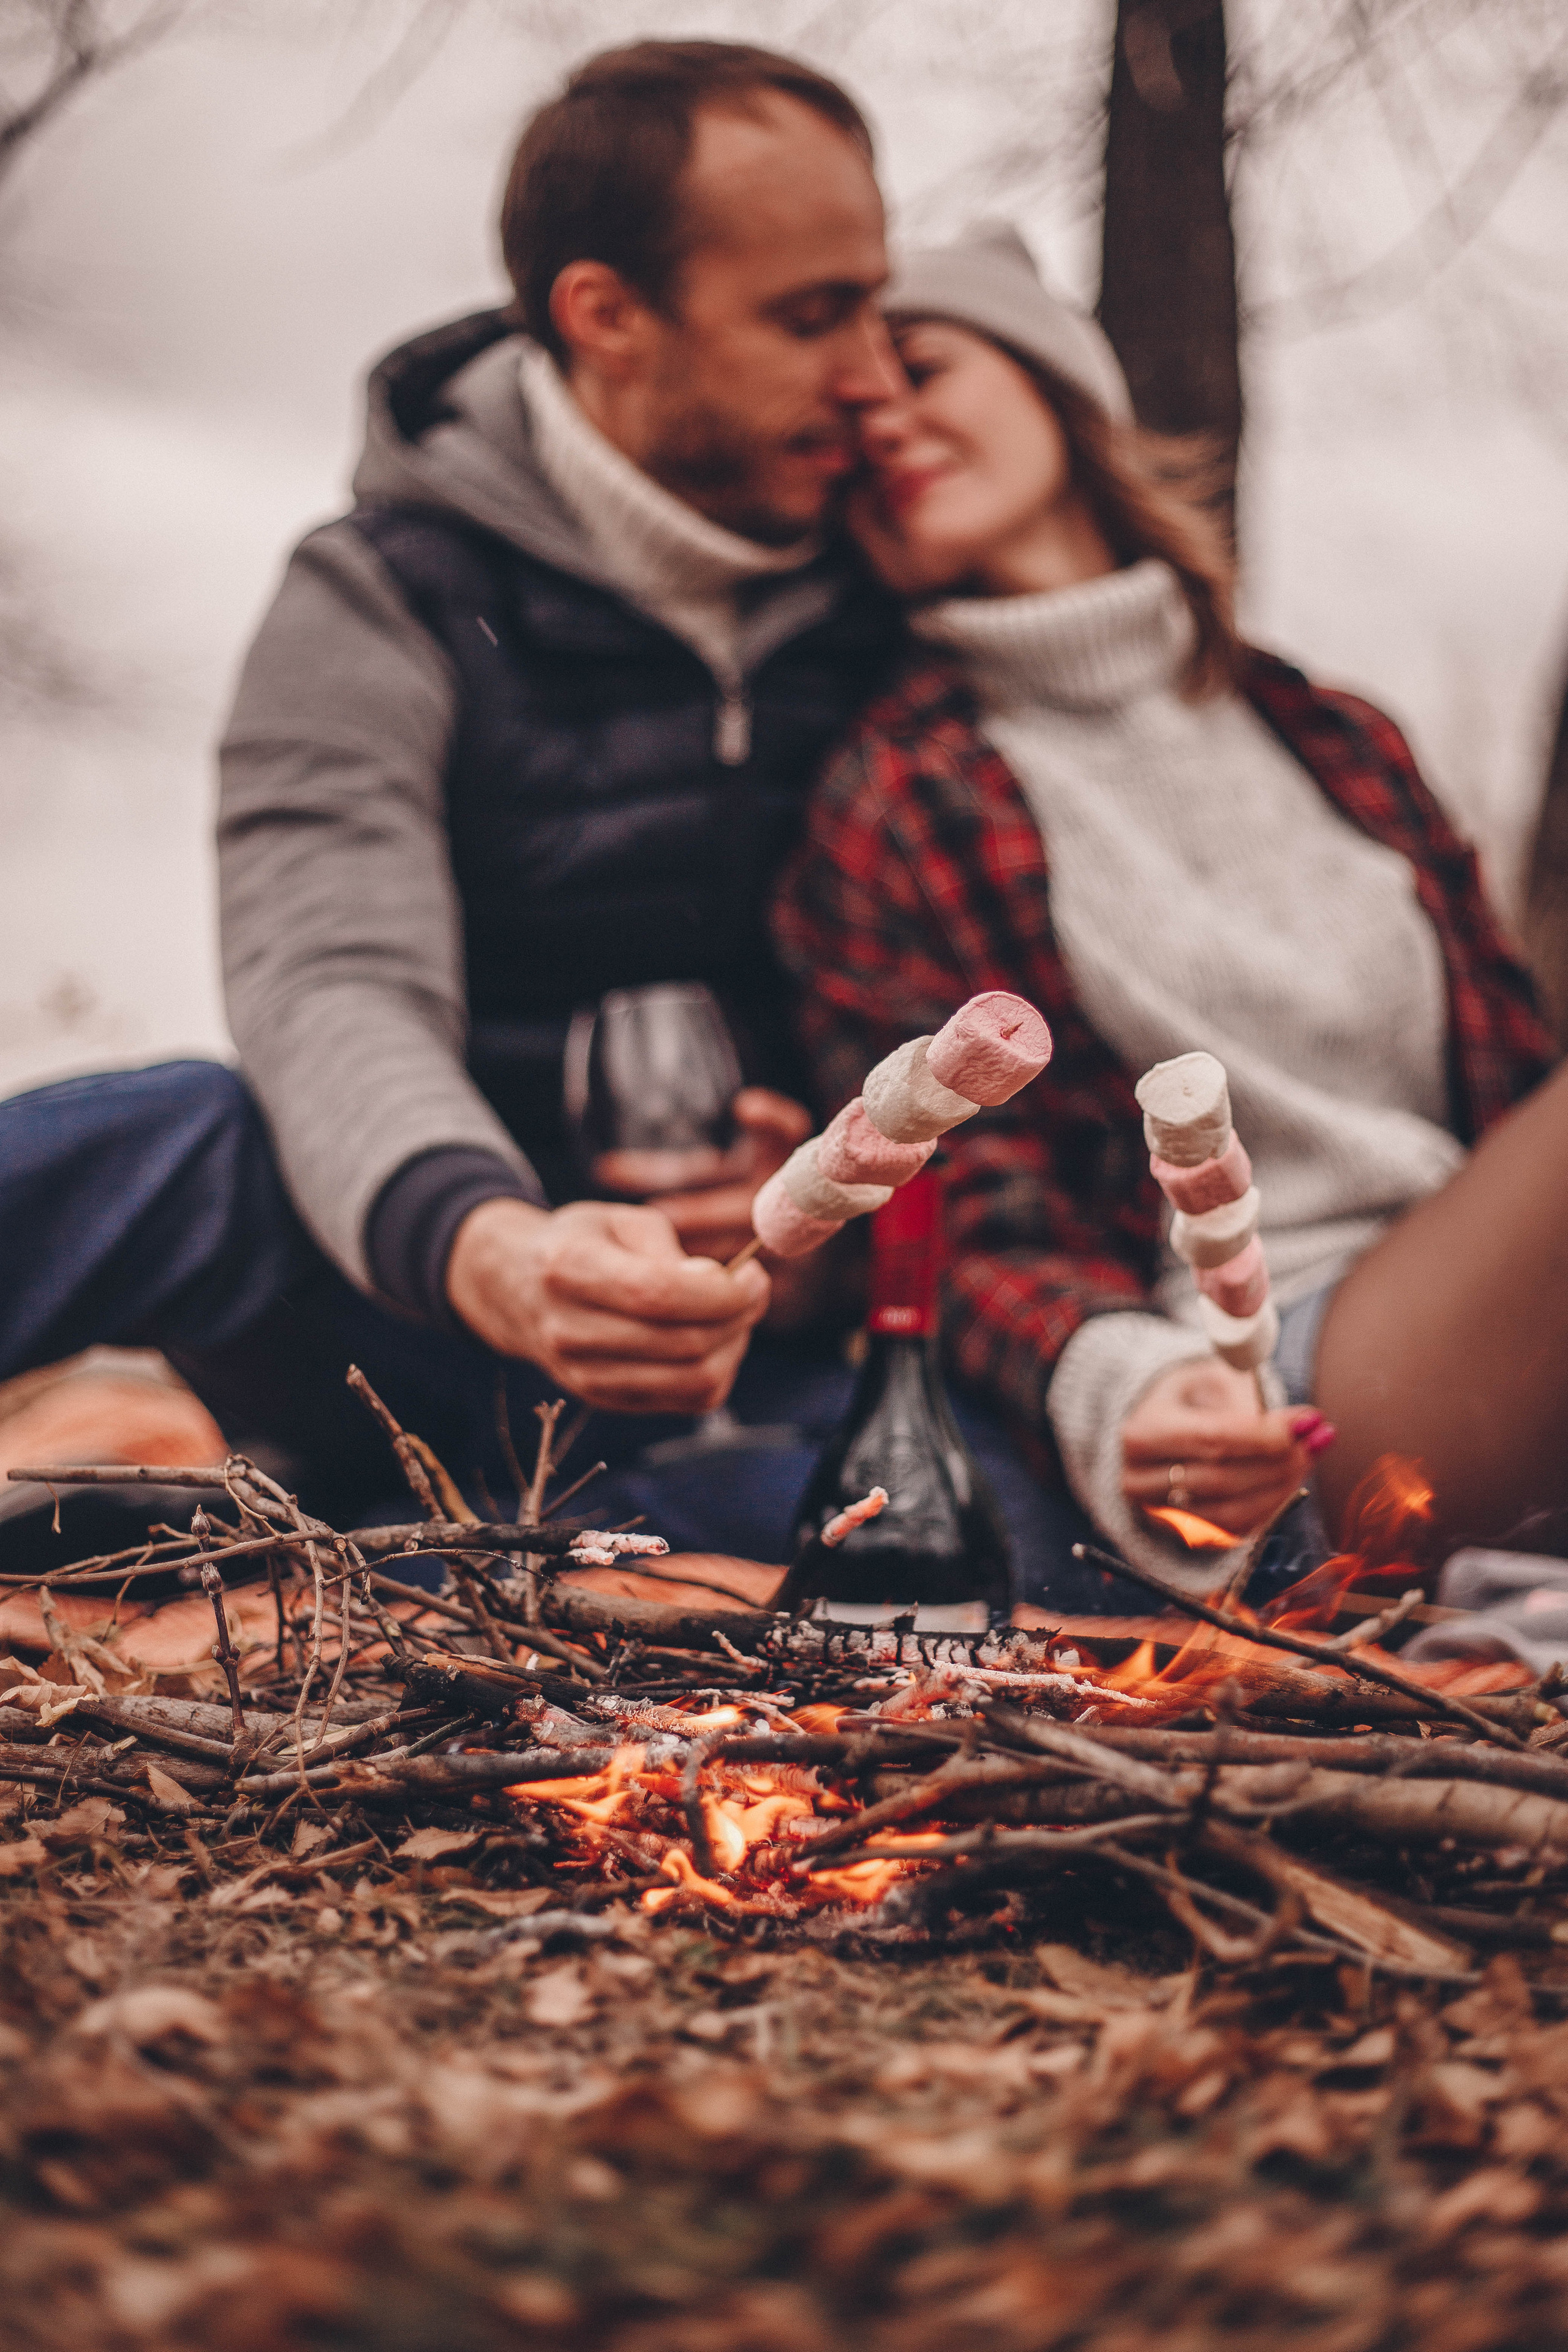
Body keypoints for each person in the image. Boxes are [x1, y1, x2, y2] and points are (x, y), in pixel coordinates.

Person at [0, 52, 1061, 1575]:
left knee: (975, 1533)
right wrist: (494, 1249)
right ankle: (379, 1521)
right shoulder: (378, 593)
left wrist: (813, 1230)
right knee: (178, 1134)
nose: (872, 378)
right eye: (806, 316)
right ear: (605, 317)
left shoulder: (898, 584)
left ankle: (383, 1557)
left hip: (745, 1360)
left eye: (871, 308)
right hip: (405, 1287)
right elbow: (331, 977)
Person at [774, 221, 1560, 1596]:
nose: (880, 423)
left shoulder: (1325, 736)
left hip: (1510, 1332)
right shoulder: (900, 791)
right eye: (846, 427)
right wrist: (1117, 1384)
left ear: (1055, 385)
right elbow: (948, 1195)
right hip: (1274, 1397)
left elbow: (1511, 1093)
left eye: (918, 366)